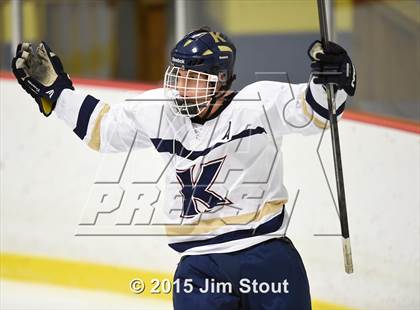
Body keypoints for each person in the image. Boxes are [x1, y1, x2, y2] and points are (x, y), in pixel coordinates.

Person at [11, 27, 356, 310]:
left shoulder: (258, 104)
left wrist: (332, 81)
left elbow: (313, 111)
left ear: (221, 80)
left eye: (192, 78)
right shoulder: (161, 109)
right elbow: (103, 130)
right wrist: (57, 92)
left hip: (266, 253)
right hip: (199, 267)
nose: (180, 87)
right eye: (177, 75)